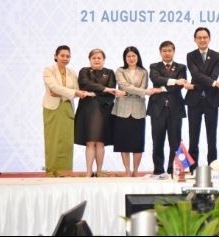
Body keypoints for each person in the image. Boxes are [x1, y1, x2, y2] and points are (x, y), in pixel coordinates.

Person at [185, 27, 219, 172]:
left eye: (205, 37)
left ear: (209, 39)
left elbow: (213, 75)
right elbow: (196, 74)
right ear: (195, 39)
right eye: (199, 37)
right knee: (193, 136)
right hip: (194, 101)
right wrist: (215, 84)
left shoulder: (217, 55)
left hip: (211, 100)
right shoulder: (190, 55)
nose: (202, 40)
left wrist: (197, 84)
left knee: (212, 137)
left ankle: (213, 167)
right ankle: (192, 168)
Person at [42, 45, 93, 173]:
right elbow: (54, 89)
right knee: (53, 139)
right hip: (52, 107)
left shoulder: (72, 72)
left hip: (67, 108)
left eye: (68, 56)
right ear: (55, 56)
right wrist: (73, 92)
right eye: (62, 55)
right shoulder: (48, 70)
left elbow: (75, 91)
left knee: (66, 140)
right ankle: (51, 170)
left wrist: (74, 92)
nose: (65, 58)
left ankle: (66, 171)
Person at [75, 48, 125, 177]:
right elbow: (85, 84)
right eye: (94, 58)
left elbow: (111, 93)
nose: (96, 60)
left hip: (104, 110)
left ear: (103, 60)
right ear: (90, 60)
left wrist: (93, 93)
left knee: (101, 143)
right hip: (87, 110)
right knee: (90, 142)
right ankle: (88, 171)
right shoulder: (84, 71)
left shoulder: (109, 73)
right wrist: (104, 89)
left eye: (99, 58)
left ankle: (99, 170)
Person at [111, 46, 159, 177]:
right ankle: (127, 171)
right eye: (128, 56)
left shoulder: (143, 71)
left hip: (138, 110)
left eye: (133, 56)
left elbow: (142, 89)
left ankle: (136, 171)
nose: (131, 59)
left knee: (138, 142)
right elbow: (125, 86)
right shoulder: (120, 70)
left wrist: (126, 93)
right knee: (124, 142)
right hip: (122, 110)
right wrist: (134, 92)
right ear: (125, 58)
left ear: (138, 57)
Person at [148, 40, 193, 176]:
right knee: (157, 141)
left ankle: (174, 169)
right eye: (164, 51)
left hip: (175, 108)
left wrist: (161, 88)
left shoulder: (181, 67)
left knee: (175, 141)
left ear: (173, 52)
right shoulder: (154, 66)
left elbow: (180, 85)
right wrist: (174, 81)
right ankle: (159, 170)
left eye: (169, 51)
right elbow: (156, 79)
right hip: (157, 108)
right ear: (160, 52)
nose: (167, 53)